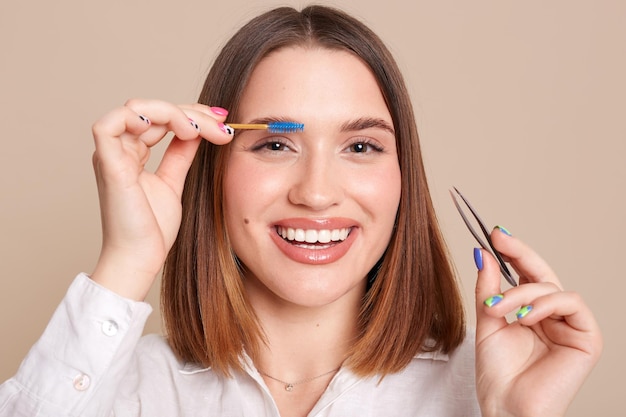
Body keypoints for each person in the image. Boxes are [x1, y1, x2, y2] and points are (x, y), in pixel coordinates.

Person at [0, 5, 602, 417]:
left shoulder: (486, 389)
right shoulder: (120, 390)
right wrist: (126, 261)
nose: (316, 192)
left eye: (360, 146)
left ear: (403, 180)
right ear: (216, 171)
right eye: (275, 144)